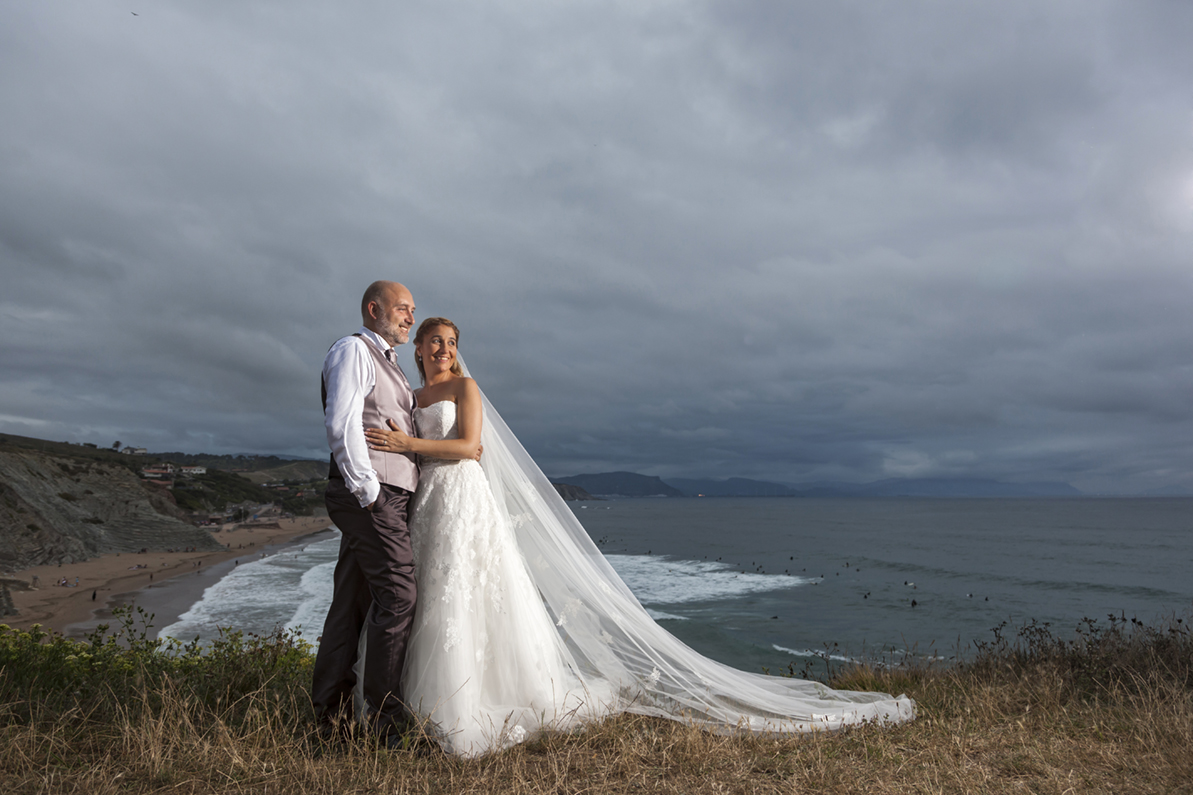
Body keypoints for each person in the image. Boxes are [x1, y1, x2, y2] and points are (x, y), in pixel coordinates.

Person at [367, 318, 915, 757]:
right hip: (429, 503)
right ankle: (416, 705)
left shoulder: (466, 386)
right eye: (434, 341)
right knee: (432, 596)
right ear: (416, 349)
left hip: (464, 496)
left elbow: (470, 449)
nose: (443, 349)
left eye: (451, 342)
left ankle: (474, 705)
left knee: (472, 591)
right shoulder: (410, 398)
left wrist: (406, 447)